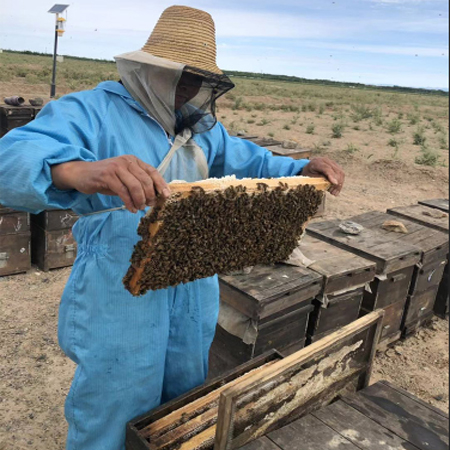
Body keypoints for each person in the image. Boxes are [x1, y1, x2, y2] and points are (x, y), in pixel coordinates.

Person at [0, 5, 345, 450]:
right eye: (182, 77)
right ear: (148, 70)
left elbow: (250, 160)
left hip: (193, 281)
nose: (191, 90)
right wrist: (81, 172)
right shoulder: (90, 110)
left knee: (183, 398)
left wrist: (302, 166)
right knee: (114, 398)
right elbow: (11, 158)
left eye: (200, 81)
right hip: (118, 287)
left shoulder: (200, 132)